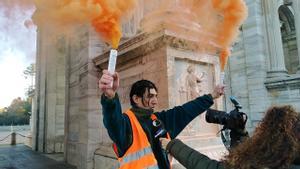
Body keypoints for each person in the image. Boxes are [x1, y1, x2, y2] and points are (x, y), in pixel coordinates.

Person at [99, 69, 225, 169]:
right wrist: (110, 98)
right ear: (136, 99)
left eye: (156, 96)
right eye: (150, 96)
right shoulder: (125, 123)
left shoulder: (160, 120)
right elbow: (112, 121)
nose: (155, 101)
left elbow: (186, 110)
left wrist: (212, 96)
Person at [160, 105, 300, 169]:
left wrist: (172, 145)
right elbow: (250, 158)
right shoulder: (286, 159)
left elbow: (208, 166)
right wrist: (240, 133)